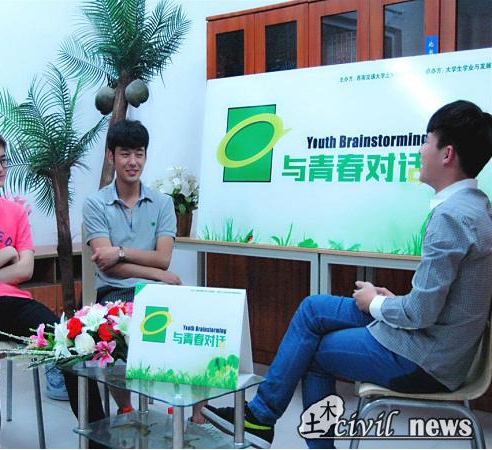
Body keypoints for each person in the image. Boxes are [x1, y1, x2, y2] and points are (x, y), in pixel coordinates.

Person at [201, 100, 492, 449]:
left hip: (426, 358)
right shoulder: (477, 206)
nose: (419, 150)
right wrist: (391, 300)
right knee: (313, 309)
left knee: (314, 352)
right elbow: (437, 301)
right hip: (437, 342)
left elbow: (421, 314)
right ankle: (260, 417)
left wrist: (375, 304)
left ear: (447, 154)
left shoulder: (450, 218)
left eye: (426, 141)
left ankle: (264, 419)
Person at [0, 120, 105, 449]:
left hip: (12, 299)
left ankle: (100, 441)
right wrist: (7, 252)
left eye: (3, 159)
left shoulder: (15, 212)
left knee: (68, 339)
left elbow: (25, 269)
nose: (0, 167)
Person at [82, 119, 209, 425]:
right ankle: (126, 410)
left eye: (139, 154)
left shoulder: (163, 203)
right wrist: (154, 272)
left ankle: (197, 416)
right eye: (125, 154)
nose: (133, 162)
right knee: (112, 333)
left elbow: (163, 258)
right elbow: (107, 264)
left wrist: (120, 251)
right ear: (111, 156)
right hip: (114, 292)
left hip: (158, 292)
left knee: (201, 328)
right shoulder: (95, 204)